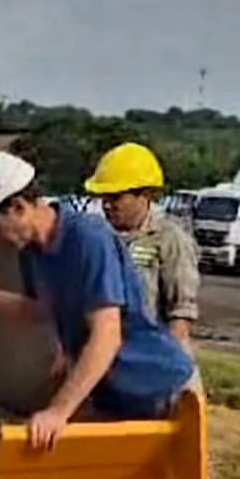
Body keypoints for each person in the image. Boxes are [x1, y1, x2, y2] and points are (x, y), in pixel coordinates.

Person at [0, 151, 196, 451]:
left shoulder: (88, 238)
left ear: (18, 207)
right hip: (113, 394)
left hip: (161, 389)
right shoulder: (33, 252)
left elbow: (106, 334)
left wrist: (58, 411)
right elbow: (35, 309)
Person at [85, 142, 199, 350]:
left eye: (116, 197)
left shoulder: (170, 238)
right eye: (104, 197)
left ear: (144, 195)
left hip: (152, 353)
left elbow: (180, 313)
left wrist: (168, 363)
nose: (107, 205)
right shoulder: (99, 235)